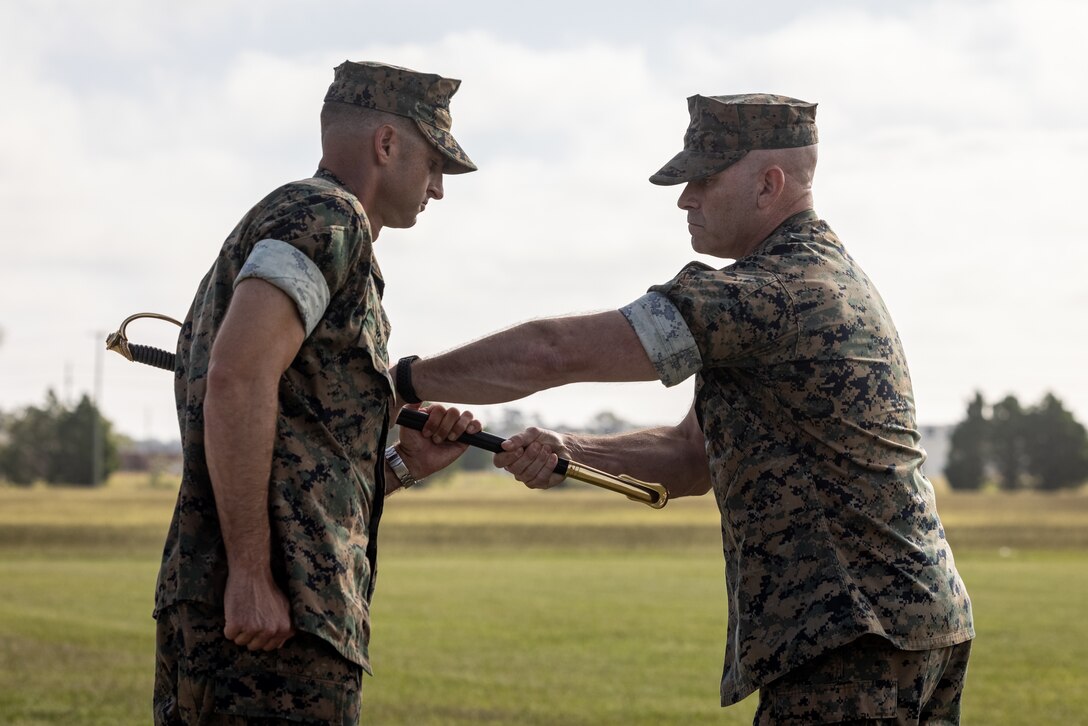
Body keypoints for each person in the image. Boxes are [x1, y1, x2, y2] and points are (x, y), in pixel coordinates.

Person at [394, 94, 974, 724]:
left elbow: (553, 352)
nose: (684, 198)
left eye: (703, 179)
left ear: (768, 185)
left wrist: (402, 379)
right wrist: (573, 450)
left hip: (856, 636)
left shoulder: (767, 293)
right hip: (907, 624)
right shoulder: (823, 278)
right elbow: (690, 457)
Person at [153, 60, 482, 725]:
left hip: (278, 611)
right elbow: (238, 376)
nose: (439, 188)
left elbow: (299, 441)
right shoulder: (327, 216)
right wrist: (251, 573)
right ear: (386, 145)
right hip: (270, 621)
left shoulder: (313, 225)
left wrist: (395, 464)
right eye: (435, 162)